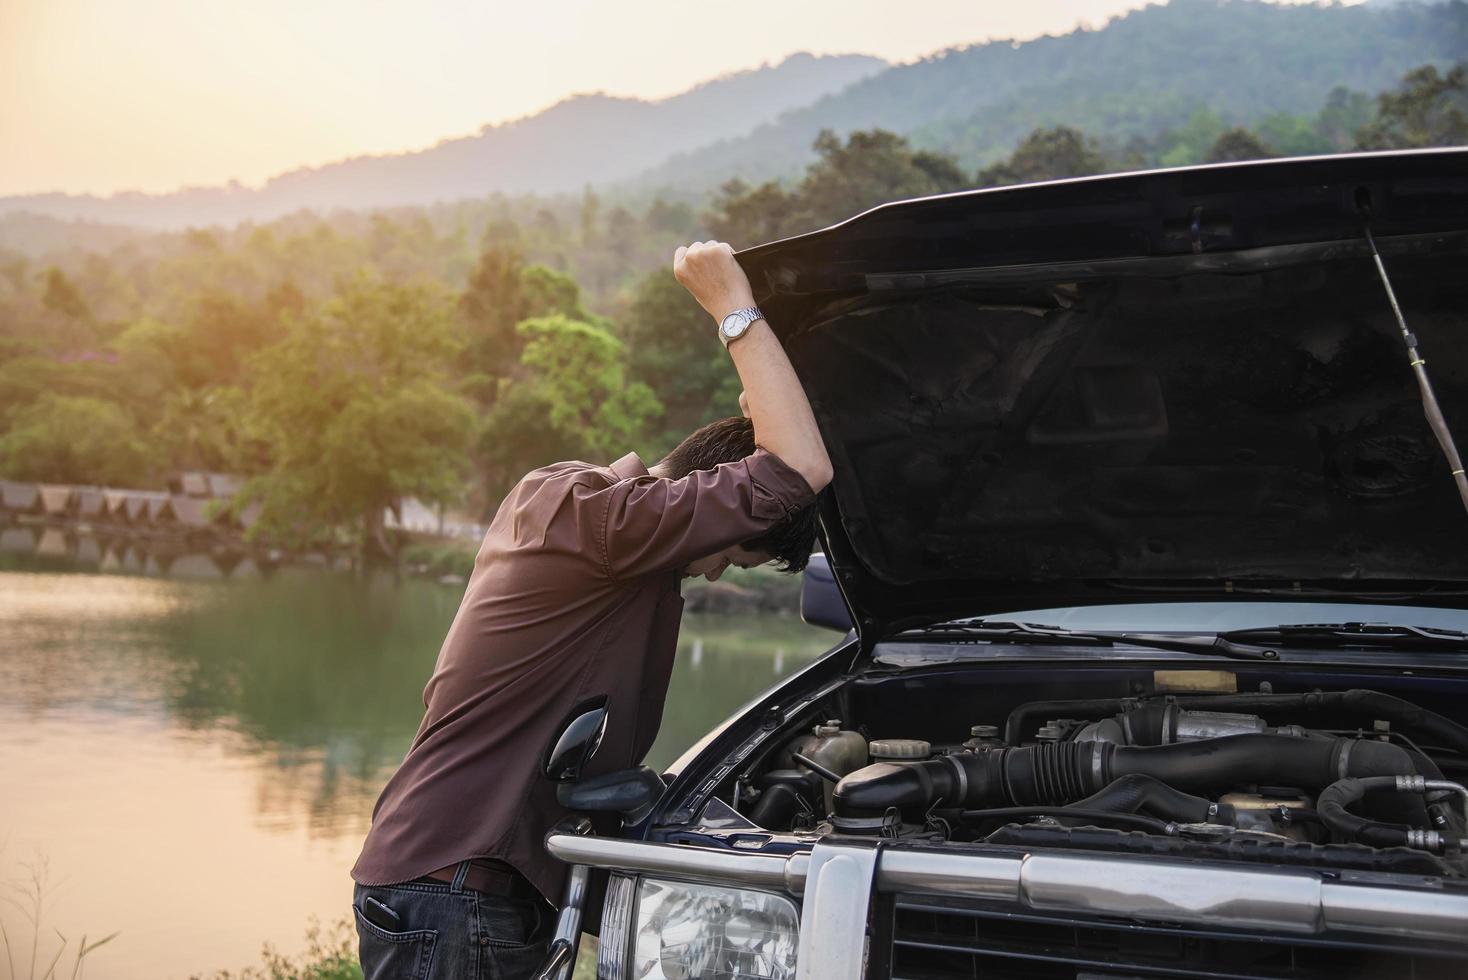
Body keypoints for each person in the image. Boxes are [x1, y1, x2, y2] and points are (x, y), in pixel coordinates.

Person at [349, 241, 834, 980]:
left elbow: (775, 454)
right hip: (459, 890)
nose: (710, 573)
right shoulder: (598, 520)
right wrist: (731, 304)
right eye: (731, 556)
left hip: (452, 884)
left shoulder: (595, 526)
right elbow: (797, 469)